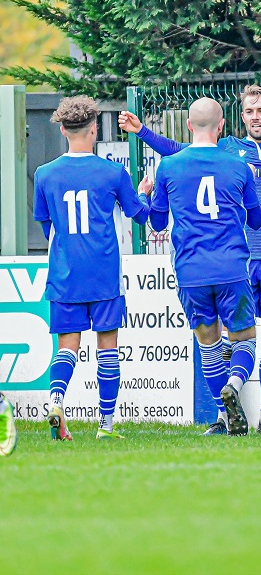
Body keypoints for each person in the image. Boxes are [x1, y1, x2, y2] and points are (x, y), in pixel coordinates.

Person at [120, 85, 261, 435]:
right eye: (249, 111)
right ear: (236, 119)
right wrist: (143, 132)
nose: (255, 117)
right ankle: (226, 416)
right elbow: (185, 149)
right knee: (235, 340)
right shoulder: (230, 152)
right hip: (238, 260)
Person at [33, 96, 152, 441]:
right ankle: (105, 427)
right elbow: (140, 216)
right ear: (94, 129)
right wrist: (144, 192)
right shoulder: (113, 172)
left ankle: (56, 403)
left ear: (62, 129)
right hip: (103, 275)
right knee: (108, 347)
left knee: (67, 346)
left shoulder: (44, 174)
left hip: (64, 275)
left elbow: (46, 227)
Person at [148, 97, 261, 436]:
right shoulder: (238, 167)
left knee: (209, 345)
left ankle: (223, 418)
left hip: (190, 271)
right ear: (222, 126)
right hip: (231, 267)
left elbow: (156, 222)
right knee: (244, 340)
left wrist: (147, 193)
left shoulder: (169, 166)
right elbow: (256, 221)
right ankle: (235, 382)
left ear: (188, 126)